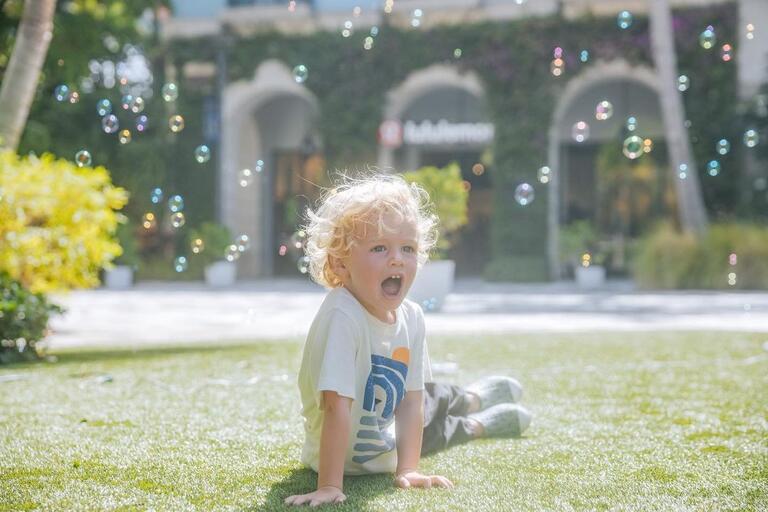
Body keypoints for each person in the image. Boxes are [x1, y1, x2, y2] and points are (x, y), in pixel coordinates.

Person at [285, 174, 532, 507]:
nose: (397, 259)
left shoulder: (412, 316)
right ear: (340, 264)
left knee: (429, 399)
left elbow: (412, 402)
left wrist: (409, 469)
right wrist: (330, 484)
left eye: (408, 248)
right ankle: (478, 424)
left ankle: (472, 396)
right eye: (379, 248)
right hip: (362, 444)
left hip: (392, 425)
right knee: (437, 431)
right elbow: (335, 406)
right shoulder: (342, 315)